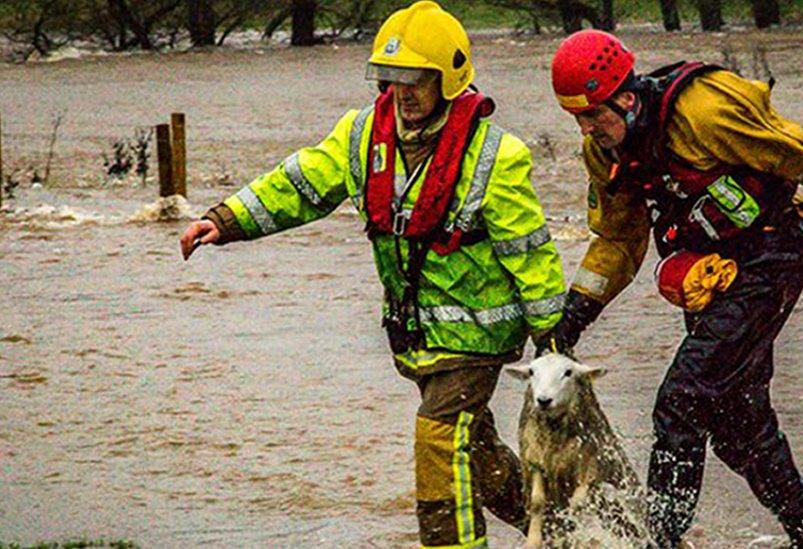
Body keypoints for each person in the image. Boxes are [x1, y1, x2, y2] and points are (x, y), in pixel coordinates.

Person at [179, 3, 565, 547]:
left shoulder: (497, 156)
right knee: (475, 452)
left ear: (447, 79)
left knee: (436, 440)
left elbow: (531, 253)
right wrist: (225, 220)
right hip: (419, 339)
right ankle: (562, 526)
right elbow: (300, 183)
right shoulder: (362, 135)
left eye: (414, 80)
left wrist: (552, 338)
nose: (402, 93)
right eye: (391, 79)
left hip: (478, 338)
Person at [541, 30, 803, 548]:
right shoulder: (604, 153)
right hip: (714, 274)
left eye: (592, 114)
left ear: (626, 96)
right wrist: (572, 320)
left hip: (772, 255)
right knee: (739, 426)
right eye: (575, 117)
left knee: (681, 399)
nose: (585, 129)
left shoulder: (706, 113)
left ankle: (661, 540)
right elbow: (619, 241)